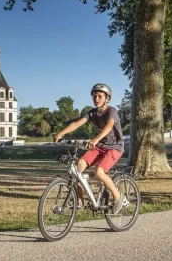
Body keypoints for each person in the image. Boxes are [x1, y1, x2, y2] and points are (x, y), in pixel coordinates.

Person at [54, 83, 128, 214]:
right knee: (78, 167)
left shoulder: (112, 111)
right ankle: (79, 201)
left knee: (99, 172)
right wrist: (61, 133)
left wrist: (96, 139)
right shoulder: (92, 113)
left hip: (115, 147)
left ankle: (118, 197)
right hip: (100, 147)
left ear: (107, 98)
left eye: (100, 96)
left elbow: (109, 126)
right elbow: (77, 123)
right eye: (94, 96)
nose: (97, 99)